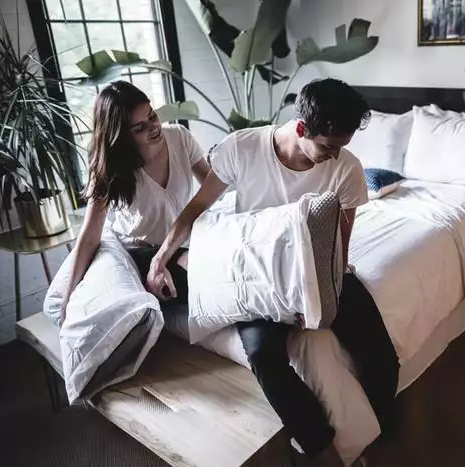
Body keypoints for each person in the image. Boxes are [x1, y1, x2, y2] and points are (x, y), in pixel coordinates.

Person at [146, 78, 400, 466]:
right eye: (327, 147)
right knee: (264, 356)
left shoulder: (346, 169)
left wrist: (319, 298)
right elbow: (196, 208)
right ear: (301, 128)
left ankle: (376, 436)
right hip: (260, 275)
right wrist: (161, 257)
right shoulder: (242, 148)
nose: (334, 156)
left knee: (382, 358)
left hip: (324, 270)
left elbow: (339, 246)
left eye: (341, 147)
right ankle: (321, 449)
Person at [59, 80, 211, 322]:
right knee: (194, 277)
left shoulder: (180, 138)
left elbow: (214, 186)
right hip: (141, 252)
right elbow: (90, 236)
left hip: (181, 242)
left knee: (212, 270)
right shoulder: (111, 167)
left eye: (152, 116)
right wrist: (67, 298)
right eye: (140, 127)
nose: (153, 127)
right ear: (121, 135)